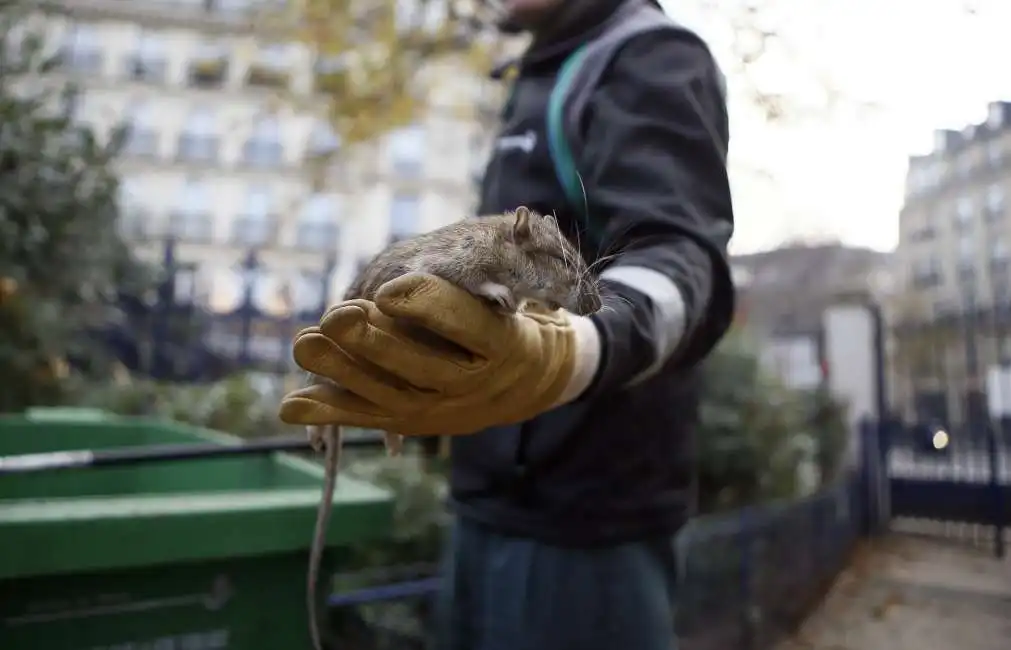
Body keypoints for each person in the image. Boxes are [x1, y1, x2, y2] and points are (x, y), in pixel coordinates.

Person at [280, 0, 735, 647]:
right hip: (483, 497)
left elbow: (682, 260)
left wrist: (577, 349)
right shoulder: (540, 67)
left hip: (585, 522)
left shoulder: (646, 56)